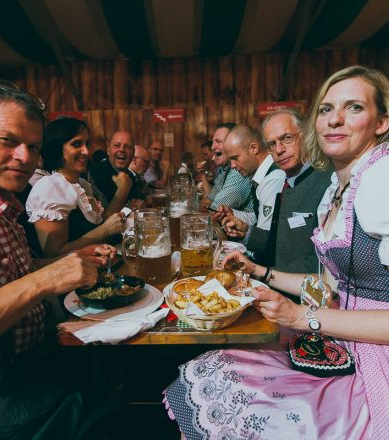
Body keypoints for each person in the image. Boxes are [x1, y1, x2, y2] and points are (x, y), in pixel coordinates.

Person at [163, 65, 389, 439]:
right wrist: (259, 271)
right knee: (218, 368)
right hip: (345, 340)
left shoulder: (381, 182)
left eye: (353, 108)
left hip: (375, 363)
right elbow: (330, 283)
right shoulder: (340, 185)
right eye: (326, 109)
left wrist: (303, 317)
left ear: (381, 122)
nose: (334, 120)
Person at [0, 83, 116, 439]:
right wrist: (43, 281)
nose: (26, 157)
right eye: (8, 141)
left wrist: (67, 262)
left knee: (120, 381)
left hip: (24, 366)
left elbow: (0, 278)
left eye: (34, 146)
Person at [221, 110, 332, 273]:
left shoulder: (326, 181)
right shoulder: (286, 180)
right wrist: (247, 231)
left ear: (306, 136)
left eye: (287, 138)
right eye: (272, 144)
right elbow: (279, 244)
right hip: (278, 284)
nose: (279, 149)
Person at [26, 118, 125, 258]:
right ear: (57, 148)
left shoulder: (83, 184)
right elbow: (54, 254)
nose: (86, 151)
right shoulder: (51, 187)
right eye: (76, 144)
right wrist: (105, 230)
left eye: (87, 143)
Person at [215, 124, 285, 234]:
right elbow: (259, 217)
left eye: (235, 158)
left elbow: (264, 235)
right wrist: (233, 214)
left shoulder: (273, 178)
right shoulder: (261, 174)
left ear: (254, 148)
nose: (232, 165)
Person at [88, 131, 144, 217]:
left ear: (133, 153)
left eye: (127, 147)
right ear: (108, 151)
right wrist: (123, 190)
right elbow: (103, 220)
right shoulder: (95, 173)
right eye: (117, 145)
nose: (122, 149)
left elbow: (139, 201)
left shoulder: (130, 175)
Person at [199, 123, 253, 212]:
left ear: (233, 143)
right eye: (213, 142)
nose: (212, 147)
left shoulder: (238, 171)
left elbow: (215, 210)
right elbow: (211, 197)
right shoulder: (226, 169)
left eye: (218, 141)